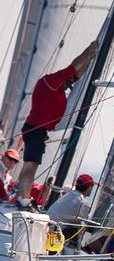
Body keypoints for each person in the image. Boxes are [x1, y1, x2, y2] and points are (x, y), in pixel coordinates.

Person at [17, 41, 98, 209]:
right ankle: (23, 199)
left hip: (39, 131)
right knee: (30, 165)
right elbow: (74, 67)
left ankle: (23, 197)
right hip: (35, 129)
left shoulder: (60, 86)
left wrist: (91, 60)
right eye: (69, 80)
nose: (71, 83)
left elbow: (76, 73)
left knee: (32, 164)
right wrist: (89, 50)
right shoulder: (51, 82)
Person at [47, 174, 97, 239]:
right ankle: (76, 246)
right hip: (56, 233)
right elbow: (84, 223)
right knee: (81, 225)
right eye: (92, 187)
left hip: (47, 227)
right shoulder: (83, 202)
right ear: (89, 187)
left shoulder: (68, 193)